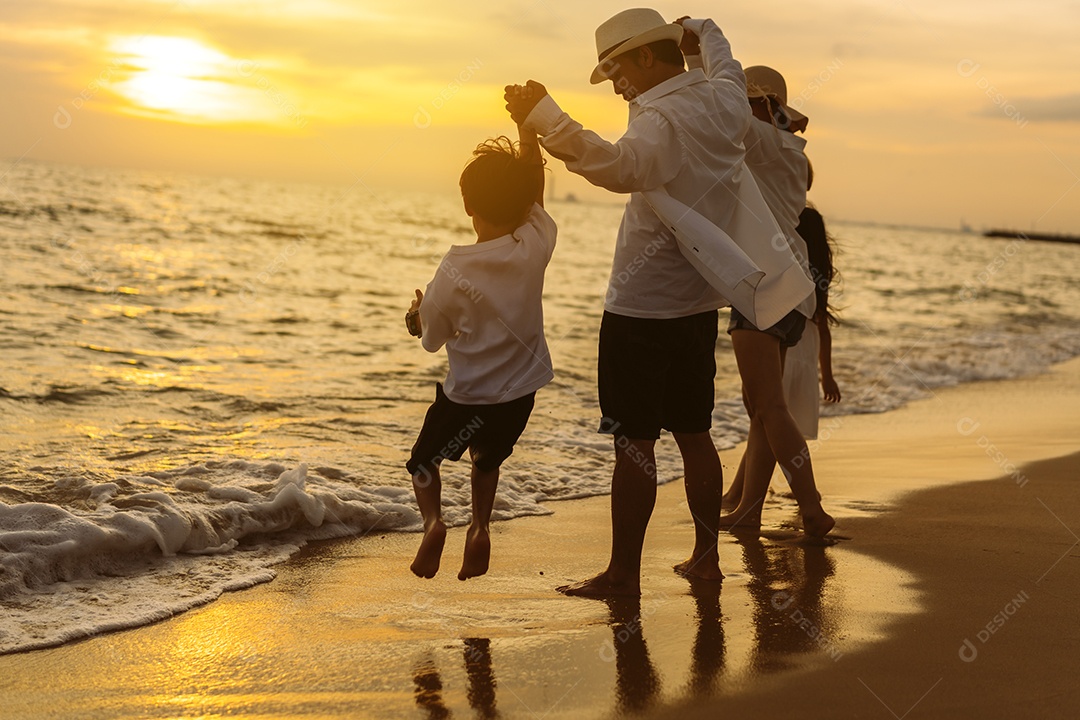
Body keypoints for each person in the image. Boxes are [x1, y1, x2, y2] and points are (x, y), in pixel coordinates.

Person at [504, 9, 817, 597]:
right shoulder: (724, 98)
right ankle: (705, 557)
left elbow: (616, 166)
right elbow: (722, 56)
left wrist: (546, 116)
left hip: (642, 309)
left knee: (634, 443)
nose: (616, 83)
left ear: (647, 58)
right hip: (699, 305)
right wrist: (699, 28)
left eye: (616, 69)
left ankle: (623, 573)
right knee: (695, 435)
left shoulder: (663, 122)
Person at [404, 119, 554, 581]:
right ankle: (480, 528)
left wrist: (416, 317)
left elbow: (431, 336)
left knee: (424, 462)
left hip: (464, 397)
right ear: (527, 203)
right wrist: (528, 138)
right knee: (486, 461)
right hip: (517, 397)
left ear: (468, 203)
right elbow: (537, 196)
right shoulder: (535, 245)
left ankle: (433, 524)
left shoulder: (453, 271)